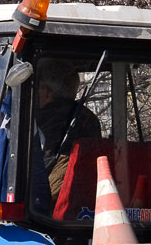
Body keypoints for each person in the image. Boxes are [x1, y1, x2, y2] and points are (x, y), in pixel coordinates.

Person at [35, 64, 102, 200]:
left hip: (52, 198)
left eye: (38, 88)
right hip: (91, 194)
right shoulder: (90, 118)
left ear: (46, 92)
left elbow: (36, 166)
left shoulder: (40, 120)